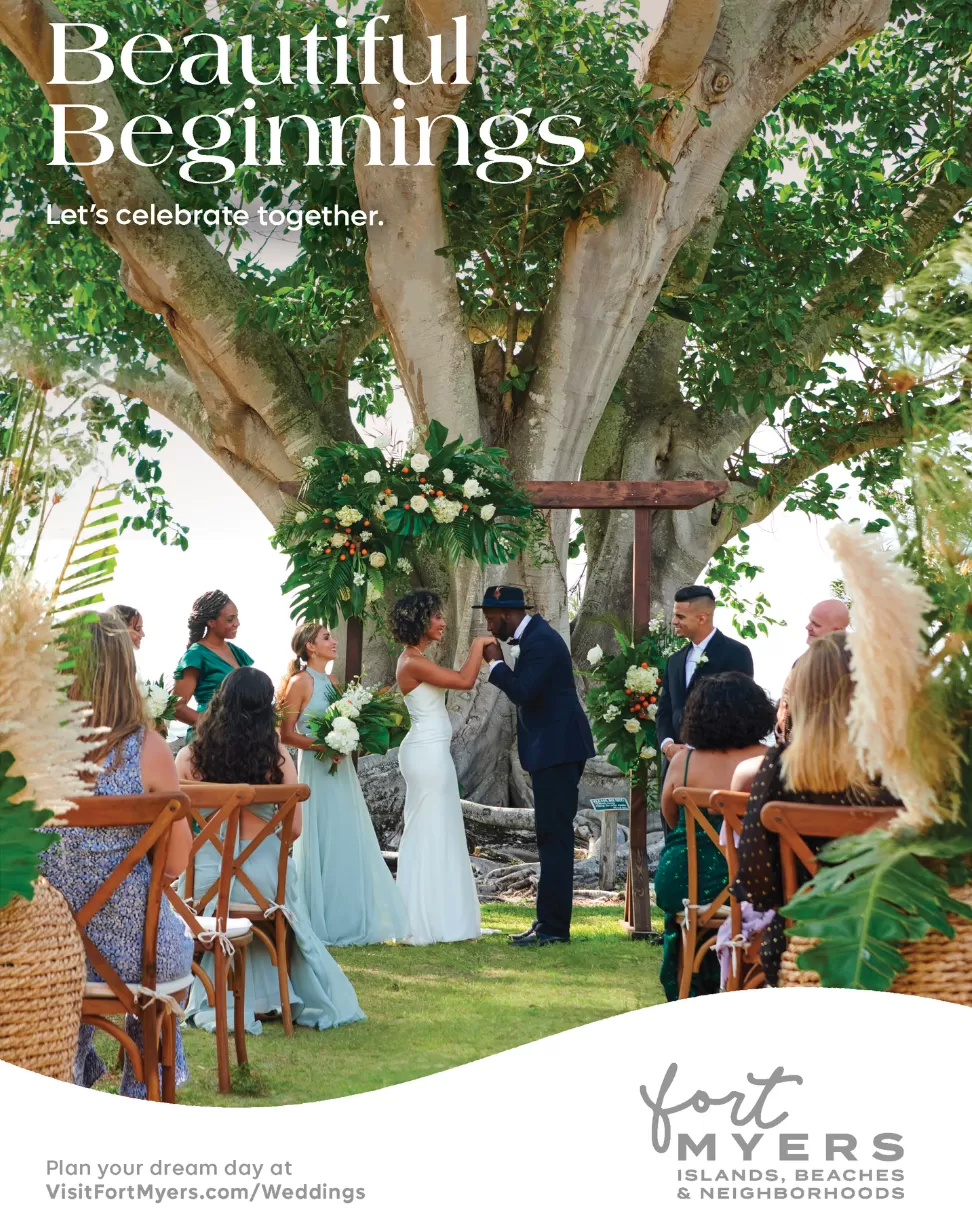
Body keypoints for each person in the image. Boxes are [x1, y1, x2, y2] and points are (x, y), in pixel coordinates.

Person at [37, 610, 194, 1098]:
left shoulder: (29, 753)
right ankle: (142, 1092)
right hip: (140, 957)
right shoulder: (148, 750)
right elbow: (174, 866)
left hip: (47, 953)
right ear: (124, 670)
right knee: (173, 947)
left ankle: (69, 1067)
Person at [176, 667, 366, 1034]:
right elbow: (293, 830)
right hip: (265, 885)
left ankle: (215, 995)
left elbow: (179, 831)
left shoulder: (189, 757)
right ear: (266, 709)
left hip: (204, 884)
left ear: (219, 703)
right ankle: (269, 997)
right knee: (279, 897)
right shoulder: (278, 758)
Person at [731, 632, 898, 986]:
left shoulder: (779, 767)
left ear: (803, 695)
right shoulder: (901, 771)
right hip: (889, 939)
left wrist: (806, 893)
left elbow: (758, 884)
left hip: (798, 942)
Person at [278, 622, 410, 947]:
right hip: (315, 768)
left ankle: (348, 915)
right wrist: (323, 746)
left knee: (345, 833)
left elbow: (343, 721)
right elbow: (287, 734)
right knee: (321, 833)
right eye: (326, 638)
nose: (333, 641)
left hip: (340, 770)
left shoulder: (333, 681)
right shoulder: (300, 682)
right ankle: (319, 918)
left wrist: (345, 742)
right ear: (310, 646)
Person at [481, 585, 596, 947]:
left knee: (556, 840)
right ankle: (546, 922)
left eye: (489, 618)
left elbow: (524, 690)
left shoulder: (542, 641)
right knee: (550, 838)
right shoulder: (534, 637)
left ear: (508, 614)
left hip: (558, 752)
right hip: (551, 751)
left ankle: (554, 929)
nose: (487, 625)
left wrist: (495, 663)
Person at [654, 672, 776, 1001]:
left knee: (681, 901)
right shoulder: (770, 762)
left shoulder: (683, 760)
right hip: (748, 885)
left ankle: (688, 981)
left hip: (684, 881)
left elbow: (670, 816)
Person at [393, 590, 492, 945]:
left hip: (432, 753)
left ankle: (443, 912)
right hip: (427, 755)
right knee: (429, 829)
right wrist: (479, 644)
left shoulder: (414, 659)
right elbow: (464, 681)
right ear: (420, 620)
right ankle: (425, 918)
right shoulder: (412, 662)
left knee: (441, 827)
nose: (443, 622)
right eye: (436, 616)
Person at [656, 585, 754, 770]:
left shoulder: (736, 653)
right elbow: (665, 709)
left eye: (680, 616)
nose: (674, 621)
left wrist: (695, 749)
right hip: (674, 764)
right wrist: (667, 745)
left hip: (715, 765)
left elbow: (739, 711)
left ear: (702, 618)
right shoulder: (674, 661)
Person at [172, 591, 253, 738]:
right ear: (211, 622)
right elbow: (176, 707)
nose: (237, 623)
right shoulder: (195, 655)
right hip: (209, 738)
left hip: (240, 738)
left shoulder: (237, 652)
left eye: (237, 616)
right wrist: (217, 726)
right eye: (230, 619)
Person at [774, 598, 852, 743]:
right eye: (810, 621)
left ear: (837, 630)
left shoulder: (854, 665)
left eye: (816, 624)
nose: (807, 627)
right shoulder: (801, 662)